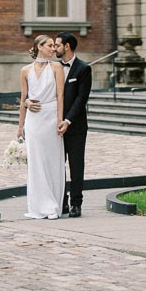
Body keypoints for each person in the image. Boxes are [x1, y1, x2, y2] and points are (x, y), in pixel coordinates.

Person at [17, 33, 65, 220]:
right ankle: (38, 206)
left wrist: (60, 120)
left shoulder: (56, 67)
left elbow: (61, 96)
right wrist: (20, 126)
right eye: (50, 45)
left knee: (51, 160)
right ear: (39, 47)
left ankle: (52, 206)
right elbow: (23, 98)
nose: (53, 49)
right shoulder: (25, 70)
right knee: (36, 163)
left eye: (54, 46)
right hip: (33, 120)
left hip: (51, 116)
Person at [55, 32, 92, 217]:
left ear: (67, 46)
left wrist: (67, 120)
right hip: (54, 127)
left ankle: (76, 203)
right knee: (57, 165)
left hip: (75, 127)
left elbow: (81, 99)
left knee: (76, 166)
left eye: (58, 45)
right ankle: (61, 202)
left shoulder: (83, 69)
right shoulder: (53, 68)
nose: (55, 48)